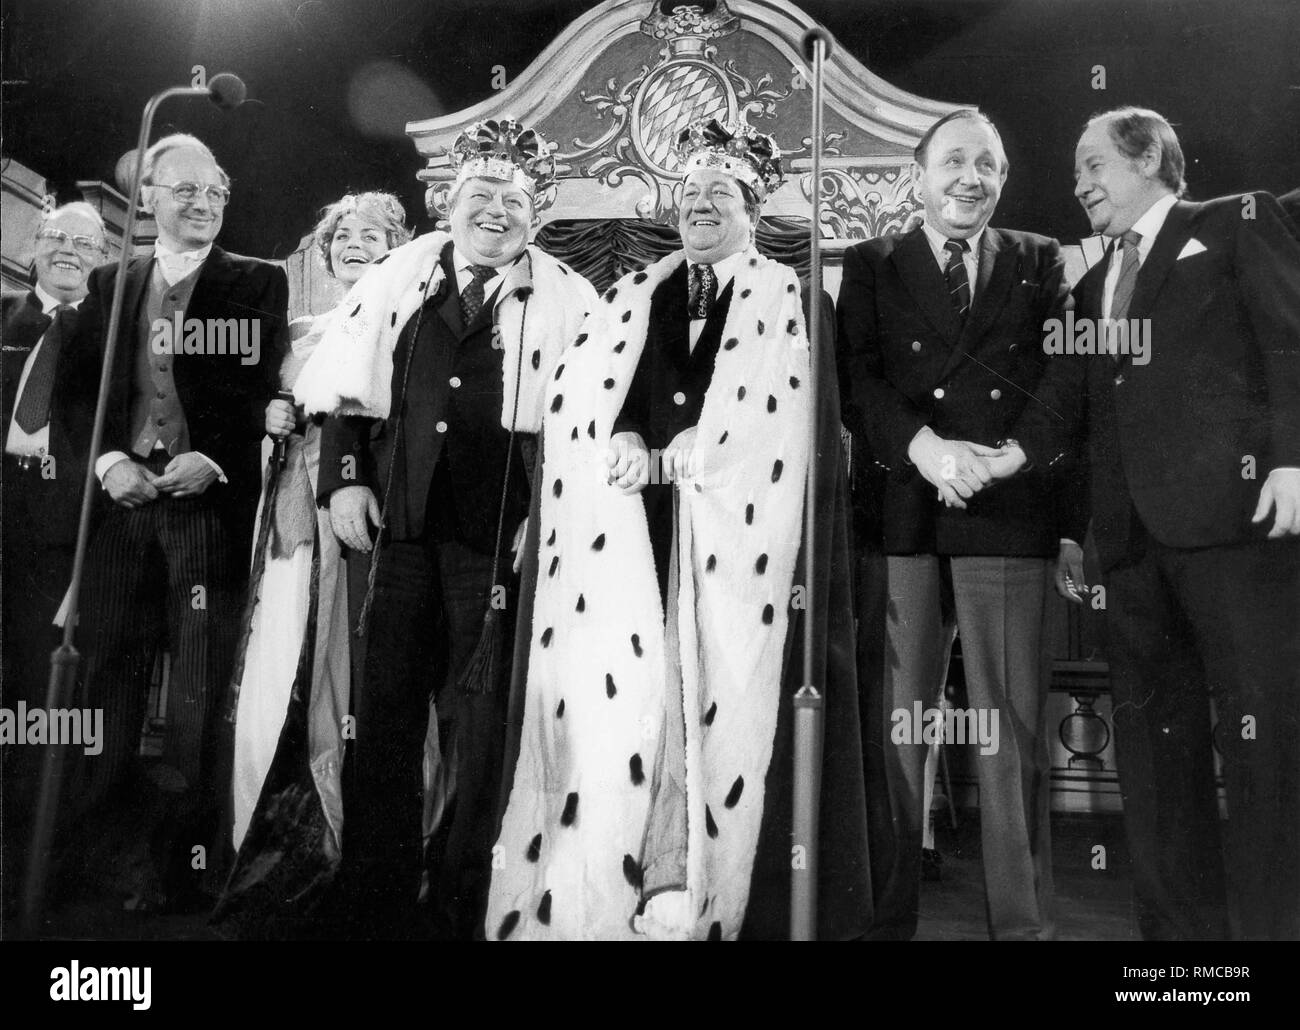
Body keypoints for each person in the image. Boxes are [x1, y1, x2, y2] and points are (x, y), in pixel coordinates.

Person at [487, 117, 872, 941]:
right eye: (690, 194)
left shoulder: (790, 299)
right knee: (638, 702)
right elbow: (608, 389)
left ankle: (699, 883)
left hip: (738, 547)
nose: (700, 206)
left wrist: (717, 449)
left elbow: (795, 426)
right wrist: (624, 434)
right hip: (640, 534)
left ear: (752, 207)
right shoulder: (640, 292)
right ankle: (631, 877)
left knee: (714, 699)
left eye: (719, 194)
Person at [1000, 107, 1300, 939]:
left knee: (1263, 748)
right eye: (1074, 172)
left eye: (1093, 165)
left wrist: (1293, 461)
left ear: (1150, 158)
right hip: (1130, 551)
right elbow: (1073, 409)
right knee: (1155, 763)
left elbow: (1293, 342)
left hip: (1237, 531)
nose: (1079, 185)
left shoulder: (1233, 222)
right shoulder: (1094, 285)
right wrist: (1010, 464)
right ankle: (1178, 956)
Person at [293, 118, 596, 939]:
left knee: (484, 724)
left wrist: (555, 520)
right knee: (384, 716)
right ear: (450, 205)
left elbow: (583, 428)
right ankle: (376, 895)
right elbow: (344, 394)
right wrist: (346, 483)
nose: (496, 212)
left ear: (537, 216)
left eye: (515, 201)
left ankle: (467, 900)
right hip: (402, 535)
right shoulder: (400, 278)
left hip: (498, 544)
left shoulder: (567, 300)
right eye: (481, 197)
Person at [836, 108, 1073, 941]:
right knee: (901, 731)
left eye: (989, 164)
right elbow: (856, 378)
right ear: (919, 175)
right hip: (903, 516)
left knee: (1008, 734)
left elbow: (1060, 377)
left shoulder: (1041, 260)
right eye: (955, 162)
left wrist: (1007, 458)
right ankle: (887, 922)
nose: (972, 177)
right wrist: (927, 449)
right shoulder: (870, 265)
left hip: (1007, 515)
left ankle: (1022, 926)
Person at [69, 133, 288, 911]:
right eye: (186, 191)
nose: (203, 205)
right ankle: (93, 862)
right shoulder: (108, 284)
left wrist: (219, 458)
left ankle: (178, 872)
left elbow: (260, 382)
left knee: (193, 701)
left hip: (203, 513)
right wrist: (107, 465)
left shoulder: (258, 283)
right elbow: (78, 395)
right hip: (123, 514)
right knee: (107, 692)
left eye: (215, 194)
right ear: (151, 198)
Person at [224, 192, 410, 877]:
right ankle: (273, 836)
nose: (353, 243)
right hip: (292, 526)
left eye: (371, 234)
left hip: (369, 529)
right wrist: (270, 414)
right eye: (341, 236)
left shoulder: (406, 327)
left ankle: (357, 845)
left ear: (398, 246)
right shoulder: (300, 330)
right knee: (279, 664)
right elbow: (259, 413)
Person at [1, 203, 107, 908]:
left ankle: (25, 872)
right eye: (56, 238)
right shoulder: (5, 312)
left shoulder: (109, 333)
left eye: (85, 243)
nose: (68, 249)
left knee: (40, 707)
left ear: (103, 259)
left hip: (58, 542)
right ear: (32, 248)